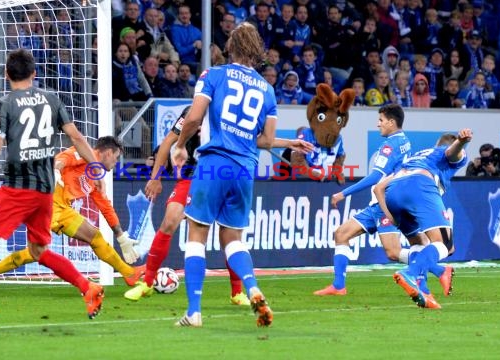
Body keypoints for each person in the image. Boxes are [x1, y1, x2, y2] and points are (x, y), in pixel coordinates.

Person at [170, 22, 313, 327]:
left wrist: (181, 145)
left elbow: (194, 117)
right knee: (233, 238)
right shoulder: (267, 89)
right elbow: (264, 139)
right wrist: (289, 142)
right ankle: (253, 288)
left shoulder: (214, 75)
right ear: (256, 51)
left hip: (214, 163)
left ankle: (194, 311)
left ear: (230, 47)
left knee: (197, 233)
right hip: (245, 169)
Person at [0, 49, 106, 328]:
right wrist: (96, 167)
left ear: (6, 74)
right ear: (34, 74)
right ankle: (88, 286)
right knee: (38, 250)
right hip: (46, 189)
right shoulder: (51, 99)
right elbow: (76, 136)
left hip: (17, 188)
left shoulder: (4, 103)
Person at [0, 137, 141, 297]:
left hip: (62, 209)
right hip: (48, 202)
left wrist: (121, 236)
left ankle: (129, 273)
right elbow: (61, 160)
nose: (116, 162)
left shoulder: (96, 174)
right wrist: (56, 171)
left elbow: (105, 205)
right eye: (116, 157)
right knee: (35, 252)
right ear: (108, 153)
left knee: (94, 237)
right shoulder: (82, 153)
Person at [124, 107, 249, 305]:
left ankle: (237, 292)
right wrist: (156, 178)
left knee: (229, 235)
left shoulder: (231, 111)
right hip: (192, 178)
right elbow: (167, 143)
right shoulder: (192, 112)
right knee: (169, 222)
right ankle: (147, 283)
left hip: (221, 176)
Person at [314, 104, 414, 296]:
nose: (378, 125)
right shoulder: (404, 141)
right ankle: (338, 285)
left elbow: (375, 177)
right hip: (380, 203)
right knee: (341, 235)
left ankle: (437, 266)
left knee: (393, 253)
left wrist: (343, 193)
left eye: (381, 121)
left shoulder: (389, 146)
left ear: (392, 123)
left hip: (385, 204)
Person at [374, 129, 472, 309]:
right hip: (419, 186)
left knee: (419, 244)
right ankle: (410, 273)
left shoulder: (414, 157)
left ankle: (424, 291)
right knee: (446, 245)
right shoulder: (442, 153)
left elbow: (378, 188)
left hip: (393, 194)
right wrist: (461, 142)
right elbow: (452, 153)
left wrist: (391, 216)